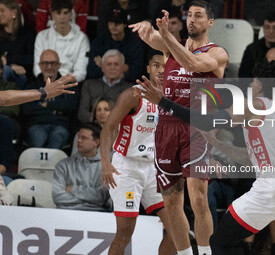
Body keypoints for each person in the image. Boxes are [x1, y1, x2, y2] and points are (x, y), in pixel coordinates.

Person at [138, 60, 275, 255]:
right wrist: (218, 144)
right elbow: (251, 158)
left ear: (262, 86)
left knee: (217, 243)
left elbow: (207, 120)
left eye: (254, 81)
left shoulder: (255, 105)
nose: (250, 85)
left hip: (274, 186)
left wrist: (163, 102)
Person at [129, 1, 228, 254]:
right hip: (166, 127)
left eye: (198, 16)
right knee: (171, 201)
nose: (192, 19)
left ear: (210, 22)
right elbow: (151, 36)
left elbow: (193, 64)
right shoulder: (170, 45)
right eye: (189, 15)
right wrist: (145, 28)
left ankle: (205, 252)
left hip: (196, 128)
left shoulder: (217, 54)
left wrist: (168, 39)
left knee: (198, 197)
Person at [100, 49, 176, 255]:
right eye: (156, 65)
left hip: (154, 168)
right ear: (148, 68)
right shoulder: (133, 94)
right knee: (125, 233)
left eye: (165, 66)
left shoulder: (172, 99)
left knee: (177, 230)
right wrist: (106, 163)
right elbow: (107, 128)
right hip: (127, 167)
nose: (161, 70)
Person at [23, 50, 78, 149]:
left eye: (53, 63)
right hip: (37, 125)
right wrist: (57, 109)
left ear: (59, 65)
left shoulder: (69, 86)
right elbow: (27, 109)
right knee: (38, 138)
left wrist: (45, 104)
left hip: (60, 126)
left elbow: (70, 106)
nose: (49, 67)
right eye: (45, 63)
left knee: (56, 139)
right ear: (39, 65)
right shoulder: (30, 86)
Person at [52, 122, 112, 212]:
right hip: (66, 213)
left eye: (84, 138)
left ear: (96, 142)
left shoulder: (107, 168)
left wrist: (74, 189)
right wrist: (90, 201)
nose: (79, 140)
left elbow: (102, 197)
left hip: (97, 216)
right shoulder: (62, 165)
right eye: (78, 137)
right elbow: (57, 196)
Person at [33, 0, 90, 83]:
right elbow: (37, 68)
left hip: (69, 85)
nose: (62, 17)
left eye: (65, 13)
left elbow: (81, 71)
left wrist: (62, 83)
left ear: (71, 15)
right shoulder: (42, 36)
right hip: (45, 82)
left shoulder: (81, 38)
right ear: (52, 15)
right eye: (58, 13)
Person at [87, 8, 145, 83]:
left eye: (118, 23)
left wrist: (104, 65)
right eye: (111, 22)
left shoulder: (135, 42)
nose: (114, 26)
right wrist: (122, 67)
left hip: (126, 83)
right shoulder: (99, 41)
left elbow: (137, 72)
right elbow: (91, 71)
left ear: (124, 24)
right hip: (102, 83)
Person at [78, 49, 132, 124]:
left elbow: (130, 115)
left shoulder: (130, 89)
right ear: (102, 67)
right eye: (109, 64)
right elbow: (82, 113)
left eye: (116, 64)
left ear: (123, 68)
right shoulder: (89, 85)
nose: (112, 67)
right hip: (92, 129)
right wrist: (99, 123)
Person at [0, 0, 35, 88]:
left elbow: (31, 58)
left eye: (2, 10)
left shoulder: (27, 34)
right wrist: (10, 66)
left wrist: (8, 60)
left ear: (14, 13)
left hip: (22, 76)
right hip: (3, 72)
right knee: (6, 70)